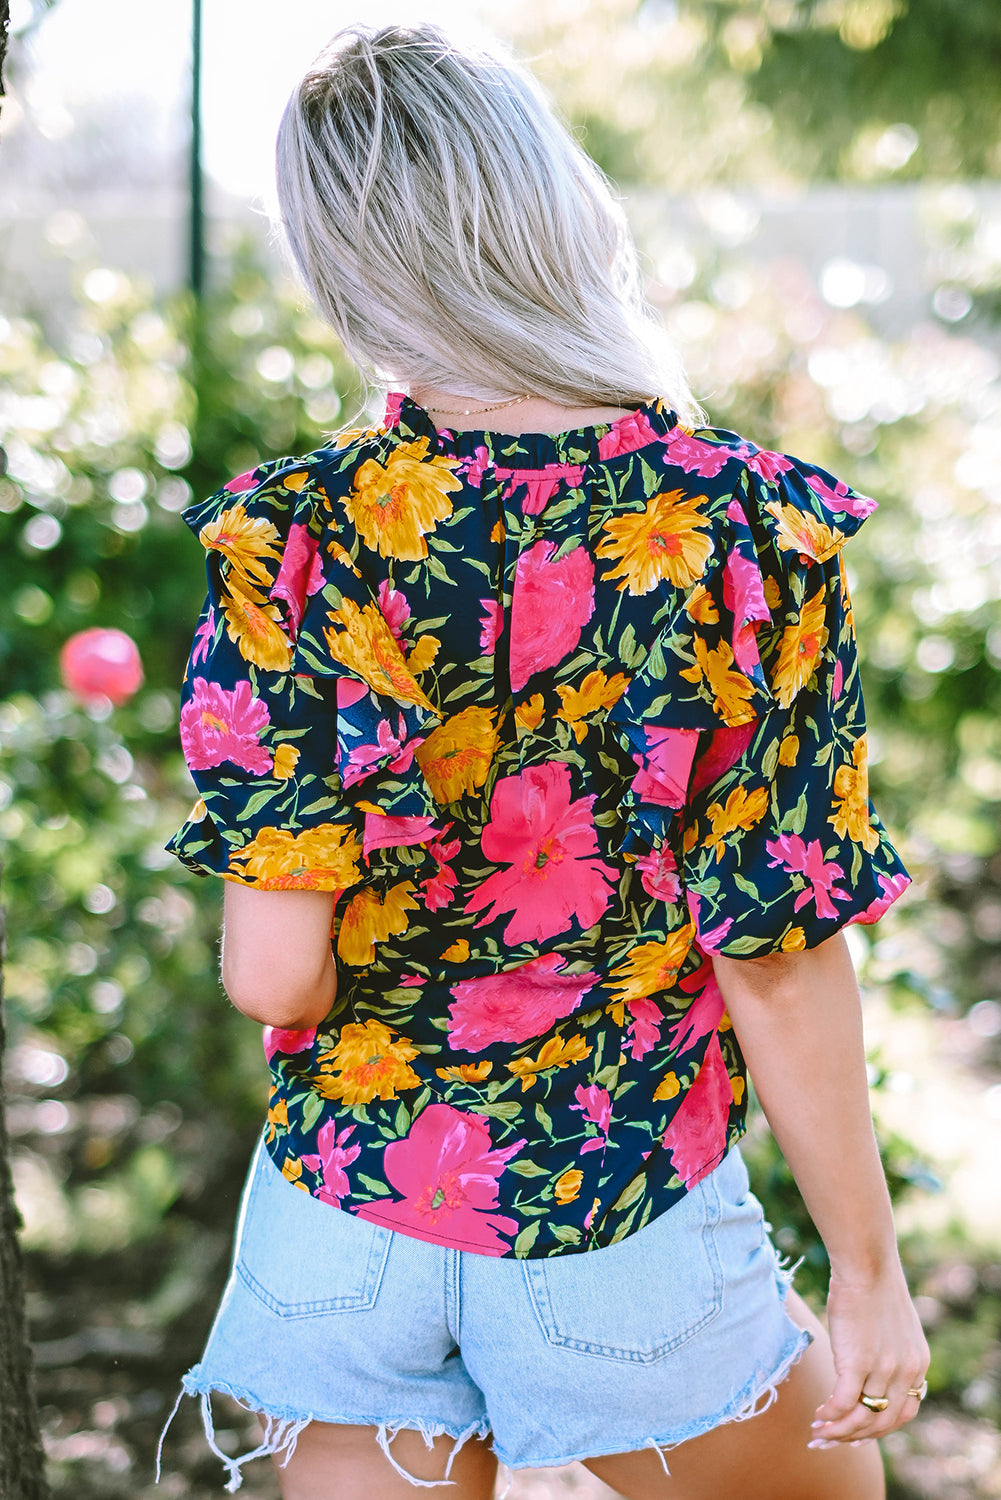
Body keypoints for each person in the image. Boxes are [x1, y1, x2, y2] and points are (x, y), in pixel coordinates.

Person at [160, 21, 929, 1500]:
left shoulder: (293, 534)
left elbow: (272, 976)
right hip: (617, 1208)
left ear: (343, 260)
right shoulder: (741, 529)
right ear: (558, 212)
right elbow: (773, 956)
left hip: (345, 1221)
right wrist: (866, 1272)